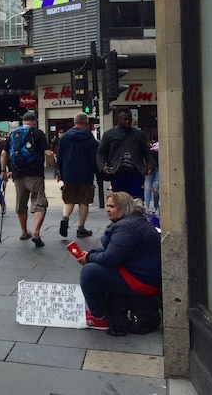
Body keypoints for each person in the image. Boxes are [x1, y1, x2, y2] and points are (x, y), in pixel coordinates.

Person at [75, 191, 162, 330]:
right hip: (139, 272)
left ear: (123, 207)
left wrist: (89, 258)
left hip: (141, 280)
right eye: (107, 206)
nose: (108, 210)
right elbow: (113, 250)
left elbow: (111, 258)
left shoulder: (126, 227)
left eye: (112, 206)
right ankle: (101, 311)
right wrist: (91, 254)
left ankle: (98, 318)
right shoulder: (132, 221)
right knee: (94, 263)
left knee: (89, 272)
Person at [0, 111, 55, 247]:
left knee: (21, 203)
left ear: (23, 122)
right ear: (34, 122)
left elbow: (3, 154)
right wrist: (55, 167)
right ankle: (36, 232)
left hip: (18, 174)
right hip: (35, 174)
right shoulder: (38, 133)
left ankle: (24, 232)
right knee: (39, 202)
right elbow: (48, 153)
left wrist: (3, 171)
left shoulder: (13, 134)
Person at [56, 112, 99, 239]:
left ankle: (65, 217)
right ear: (86, 123)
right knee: (83, 201)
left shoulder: (65, 137)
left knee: (69, 199)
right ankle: (81, 228)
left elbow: (60, 156)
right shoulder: (89, 137)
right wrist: (97, 171)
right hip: (85, 174)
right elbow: (94, 157)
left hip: (69, 174)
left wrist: (60, 172)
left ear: (74, 122)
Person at [97, 107, 154, 200]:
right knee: (120, 201)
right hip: (117, 171)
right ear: (118, 120)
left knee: (136, 200)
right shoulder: (109, 134)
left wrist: (150, 165)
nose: (127, 122)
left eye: (129, 119)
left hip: (135, 171)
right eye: (124, 119)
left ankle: (135, 214)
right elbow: (100, 152)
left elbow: (147, 152)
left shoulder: (138, 134)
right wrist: (102, 166)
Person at [143, 141, 160, 211]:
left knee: (156, 187)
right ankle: (146, 205)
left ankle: (156, 205)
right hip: (150, 166)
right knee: (148, 186)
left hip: (157, 166)